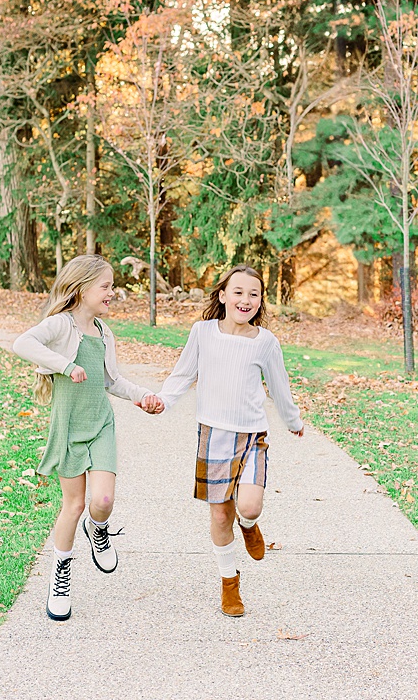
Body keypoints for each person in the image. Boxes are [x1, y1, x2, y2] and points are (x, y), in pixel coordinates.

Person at [13, 254, 163, 621]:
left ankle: (99, 530)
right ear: (81, 288)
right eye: (106, 286)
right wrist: (65, 365)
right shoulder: (60, 325)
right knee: (73, 505)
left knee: (104, 499)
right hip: (68, 427)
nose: (113, 292)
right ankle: (60, 576)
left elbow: (112, 380)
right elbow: (22, 343)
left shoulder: (104, 332)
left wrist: (142, 395)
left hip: (100, 425)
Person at [154, 264, 304, 617]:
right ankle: (229, 583)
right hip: (213, 436)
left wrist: (293, 420)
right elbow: (183, 374)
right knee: (221, 516)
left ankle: (250, 526)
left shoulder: (266, 342)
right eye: (238, 292)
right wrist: (163, 400)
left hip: (251, 435)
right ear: (222, 296)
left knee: (248, 506)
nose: (245, 299)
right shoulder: (203, 332)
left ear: (260, 300)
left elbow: (279, 387)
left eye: (254, 293)